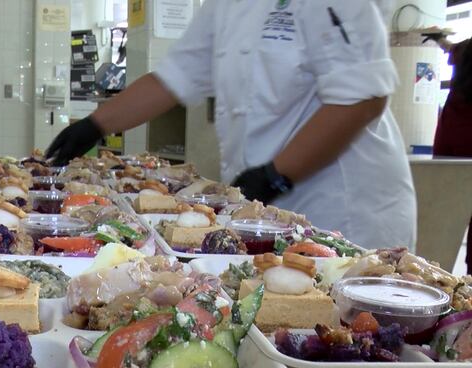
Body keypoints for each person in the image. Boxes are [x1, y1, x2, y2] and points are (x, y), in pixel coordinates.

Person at [46, 0, 417, 251]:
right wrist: (95, 124)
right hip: (266, 208)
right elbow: (174, 78)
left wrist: (277, 175)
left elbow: (362, 99)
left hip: (340, 203)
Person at [424, 29, 472, 274]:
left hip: (454, 174)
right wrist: (439, 40)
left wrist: (438, 40)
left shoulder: (457, 105)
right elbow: (453, 48)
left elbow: (453, 49)